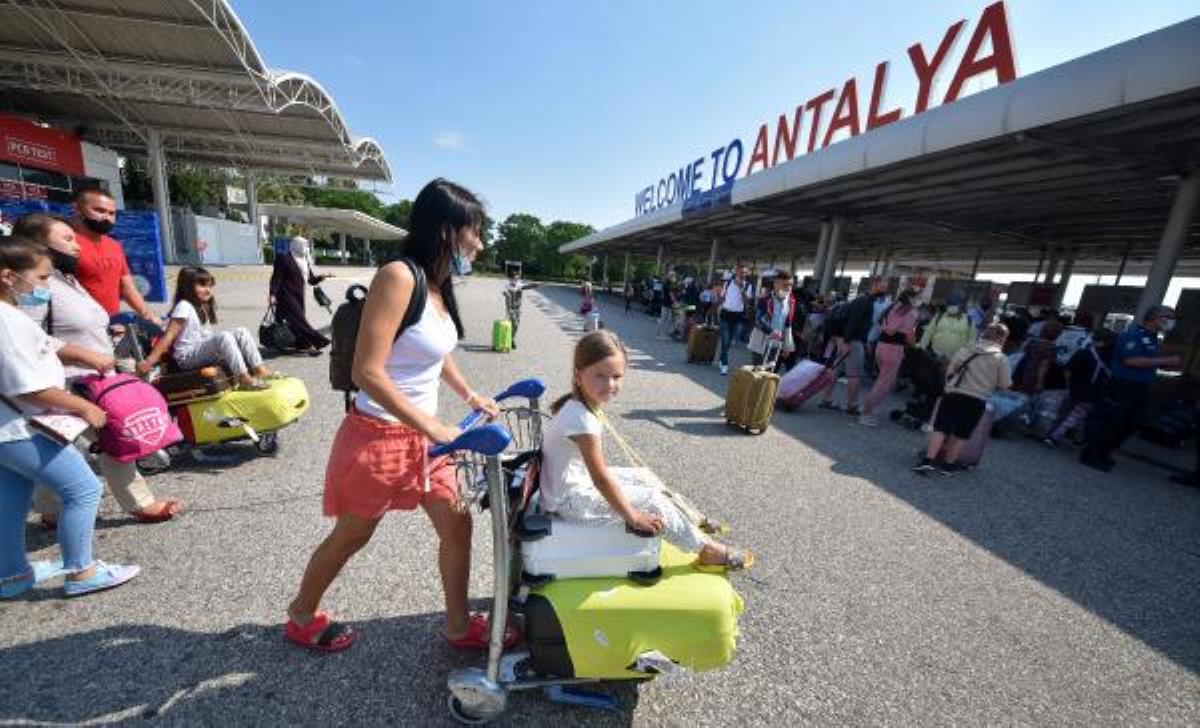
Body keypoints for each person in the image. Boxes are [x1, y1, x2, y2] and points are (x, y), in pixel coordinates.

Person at [284, 178, 507, 653]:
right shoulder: (399, 276)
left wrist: (468, 395)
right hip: (379, 436)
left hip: (424, 441)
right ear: (448, 230)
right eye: (475, 231)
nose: (480, 243)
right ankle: (301, 614)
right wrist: (434, 426)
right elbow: (367, 371)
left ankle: (457, 625)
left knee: (457, 523)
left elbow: (435, 350)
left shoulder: (437, 285)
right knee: (352, 536)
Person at [13, 214, 181, 525]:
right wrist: (86, 355)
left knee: (59, 445)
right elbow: (27, 338)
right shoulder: (36, 286)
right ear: (37, 245)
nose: (76, 246)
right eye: (66, 239)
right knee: (111, 436)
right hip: (67, 383)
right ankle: (135, 505)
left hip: (92, 378)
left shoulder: (66, 280)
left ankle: (51, 509)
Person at [542, 330, 753, 570]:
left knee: (643, 475)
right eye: (600, 376)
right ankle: (706, 549)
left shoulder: (578, 404)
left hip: (570, 483)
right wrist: (633, 516)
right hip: (568, 500)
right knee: (652, 500)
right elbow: (600, 478)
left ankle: (692, 519)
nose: (610, 384)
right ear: (579, 376)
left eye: (616, 376)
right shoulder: (581, 419)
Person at [0, 236, 140, 598]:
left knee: (12, 499)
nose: (46, 286)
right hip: (20, 427)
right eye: (42, 278)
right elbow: (24, 386)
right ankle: (82, 571)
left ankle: (12, 574)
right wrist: (84, 407)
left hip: (8, 430)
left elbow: (48, 346)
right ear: (8, 277)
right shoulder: (6, 321)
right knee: (83, 489)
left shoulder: (10, 314)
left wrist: (86, 357)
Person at [1080, 306, 1181, 472]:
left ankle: (1105, 451)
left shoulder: (1153, 338)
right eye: (1168, 317)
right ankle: (1092, 454)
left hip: (1139, 386)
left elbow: (1147, 361)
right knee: (1111, 421)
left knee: (1131, 423)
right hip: (1123, 385)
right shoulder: (1133, 335)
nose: (1171, 321)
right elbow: (1131, 361)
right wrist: (1165, 360)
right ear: (1154, 318)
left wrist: (1163, 363)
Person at [137, 266, 273, 389]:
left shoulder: (201, 306)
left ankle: (260, 370)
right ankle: (244, 378)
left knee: (241, 332)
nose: (208, 290)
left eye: (210, 286)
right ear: (188, 287)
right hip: (187, 357)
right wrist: (149, 362)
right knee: (224, 337)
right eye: (202, 285)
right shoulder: (184, 306)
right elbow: (169, 335)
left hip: (200, 351)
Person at [914, 323, 1011, 475]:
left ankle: (927, 461)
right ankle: (948, 465)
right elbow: (1004, 384)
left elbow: (950, 371)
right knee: (961, 433)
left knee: (940, 428)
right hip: (977, 399)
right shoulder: (1001, 359)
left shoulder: (966, 349)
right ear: (1002, 338)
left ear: (985, 333)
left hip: (954, 393)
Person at [69, 187, 154, 320]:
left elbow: (127, 287)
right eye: (99, 210)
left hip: (111, 325)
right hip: (79, 328)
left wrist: (147, 315)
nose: (107, 218)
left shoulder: (114, 246)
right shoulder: (66, 244)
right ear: (77, 209)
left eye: (111, 213)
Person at [817, 276, 888, 416]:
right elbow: (853, 322)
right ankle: (853, 405)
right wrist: (847, 342)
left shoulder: (864, 300)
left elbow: (859, 323)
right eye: (882, 286)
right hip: (852, 341)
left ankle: (826, 398)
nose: (885, 289)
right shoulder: (864, 301)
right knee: (855, 374)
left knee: (835, 370)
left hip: (849, 340)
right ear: (874, 285)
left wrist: (860, 340)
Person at [1043, 330, 1114, 447]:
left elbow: (1067, 371)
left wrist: (1068, 385)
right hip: (1095, 393)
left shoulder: (1083, 353)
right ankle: (1078, 437)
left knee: (1065, 414)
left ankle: (1053, 436)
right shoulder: (1111, 359)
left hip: (1075, 389)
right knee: (1082, 416)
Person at [860, 288, 920, 426]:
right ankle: (866, 412)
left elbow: (880, 322)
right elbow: (909, 335)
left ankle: (867, 407)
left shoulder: (893, 306)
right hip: (894, 349)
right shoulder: (911, 312)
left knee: (881, 379)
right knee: (884, 383)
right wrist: (915, 347)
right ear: (912, 298)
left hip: (881, 346)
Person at [269, 236, 330, 356]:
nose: (305, 248)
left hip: (299, 295)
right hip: (286, 295)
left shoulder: (304, 260)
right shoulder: (284, 258)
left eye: (306, 245)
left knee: (293, 322)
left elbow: (310, 280)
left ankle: (299, 344)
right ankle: (317, 341)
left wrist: (321, 277)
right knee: (299, 321)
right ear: (295, 245)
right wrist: (272, 294)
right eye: (303, 245)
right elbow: (276, 278)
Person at [748, 272, 795, 369]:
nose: (788, 288)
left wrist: (787, 346)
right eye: (785, 285)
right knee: (757, 373)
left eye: (791, 285)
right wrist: (771, 332)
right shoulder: (765, 300)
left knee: (769, 374)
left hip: (776, 344)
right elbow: (758, 320)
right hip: (760, 341)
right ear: (776, 284)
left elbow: (788, 324)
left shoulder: (791, 301)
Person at [716, 266, 753, 375]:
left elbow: (747, 301)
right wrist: (717, 308)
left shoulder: (748, 286)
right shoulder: (727, 283)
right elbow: (722, 297)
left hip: (738, 316)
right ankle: (724, 364)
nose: (743, 274)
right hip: (726, 313)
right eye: (741, 272)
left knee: (732, 340)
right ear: (736, 272)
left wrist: (741, 288)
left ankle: (722, 356)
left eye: (745, 272)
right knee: (725, 339)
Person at [919, 293, 975, 363]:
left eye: (954, 305)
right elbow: (928, 333)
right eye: (950, 305)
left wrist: (963, 357)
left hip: (956, 360)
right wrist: (921, 349)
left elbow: (972, 340)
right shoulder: (939, 317)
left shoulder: (969, 321)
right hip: (936, 357)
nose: (952, 308)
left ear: (960, 306)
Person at [1014, 321, 1063, 395]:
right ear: (1057, 335)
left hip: (1023, 371)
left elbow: (1023, 354)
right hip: (1034, 375)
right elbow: (1044, 365)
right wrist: (1040, 383)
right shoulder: (1051, 348)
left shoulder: (1032, 342)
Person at [503, 266, 538, 349]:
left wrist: (534, 285)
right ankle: (510, 340)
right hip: (510, 308)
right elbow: (504, 292)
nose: (516, 280)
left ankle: (511, 338)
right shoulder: (507, 285)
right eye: (515, 279)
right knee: (513, 323)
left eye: (517, 279)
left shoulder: (519, 284)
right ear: (510, 279)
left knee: (516, 325)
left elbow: (525, 287)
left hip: (518, 308)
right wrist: (507, 294)